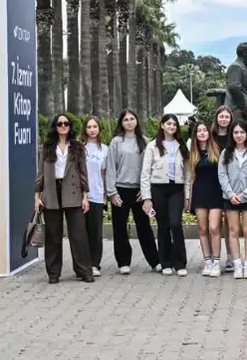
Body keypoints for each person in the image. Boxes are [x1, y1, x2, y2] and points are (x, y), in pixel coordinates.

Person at [34, 113, 93, 284]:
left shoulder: (77, 147)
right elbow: (40, 174)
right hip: (51, 191)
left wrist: (85, 196)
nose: (63, 126)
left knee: (78, 234)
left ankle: (84, 270)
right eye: (59, 124)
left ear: (70, 126)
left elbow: (83, 172)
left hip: (73, 191)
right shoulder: (46, 148)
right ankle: (53, 273)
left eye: (66, 123)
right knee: (53, 235)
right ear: (55, 126)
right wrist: (37, 197)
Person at [105, 110, 160, 274]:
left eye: (132, 119)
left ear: (137, 121)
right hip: (120, 190)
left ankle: (155, 261)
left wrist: (145, 191)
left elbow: (150, 167)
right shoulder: (116, 142)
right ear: (121, 123)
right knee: (119, 228)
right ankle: (123, 262)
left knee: (144, 227)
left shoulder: (145, 141)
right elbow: (110, 168)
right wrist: (112, 193)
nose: (129, 122)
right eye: (126, 119)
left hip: (139, 191)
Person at [141, 114, 188, 276]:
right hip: (158, 188)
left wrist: (187, 196)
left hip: (176, 189)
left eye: (174, 124)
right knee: (163, 225)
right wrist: (147, 198)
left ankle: (180, 262)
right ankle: (166, 261)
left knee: (175, 223)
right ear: (162, 125)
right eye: (168, 124)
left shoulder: (181, 145)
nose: (171, 127)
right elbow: (145, 173)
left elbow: (187, 173)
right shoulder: (152, 146)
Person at [218, 121, 247, 280]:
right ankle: (237, 264)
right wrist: (230, 194)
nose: (239, 135)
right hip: (230, 197)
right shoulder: (226, 152)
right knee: (233, 231)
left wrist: (243, 196)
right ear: (232, 135)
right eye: (236, 132)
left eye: (242, 132)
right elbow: (222, 175)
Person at [185, 121, 224, 277]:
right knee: (202, 229)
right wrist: (188, 199)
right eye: (199, 131)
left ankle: (216, 261)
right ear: (195, 134)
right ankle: (207, 261)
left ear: (209, 133)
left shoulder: (217, 150)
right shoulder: (192, 154)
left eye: (204, 130)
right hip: (199, 193)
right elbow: (191, 178)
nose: (202, 133)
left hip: (215, 193)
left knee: (214, 228)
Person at [80, 116, 108, 277]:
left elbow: (104, 173)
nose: (92, 130)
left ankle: (94, 264)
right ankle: (82, 264)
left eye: (95, 126)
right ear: (85, 129)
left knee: (95, 232)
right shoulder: (79, 147)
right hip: (80, 195)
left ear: (99, 129)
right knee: (80, 232)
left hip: (97, 194)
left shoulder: (104, 149)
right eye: (89, 127)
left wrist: (105, 195)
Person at [211, 107, 236, 272]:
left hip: (230, 184)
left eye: (227, 117)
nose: (224, 119)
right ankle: (213, 258)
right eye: (221, 116)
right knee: (214, 225)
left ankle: (231, 256)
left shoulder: (234, 136)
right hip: (212, 183)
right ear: (217, 118)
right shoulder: (210, 136)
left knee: (230, 224)